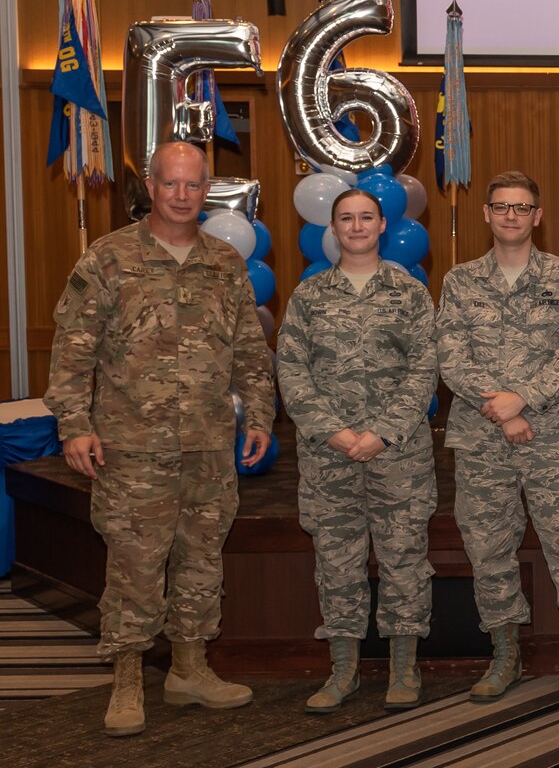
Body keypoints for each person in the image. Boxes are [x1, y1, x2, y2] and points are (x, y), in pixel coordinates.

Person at [47, 141, 274, 736]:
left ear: (207, 190)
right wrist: (74, 424)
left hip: (207, 444)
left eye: (192, 185)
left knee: (201, 560)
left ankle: (190, 668)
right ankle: (126, 678)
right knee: (134, 563)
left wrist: (260, 415)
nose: (181, 195)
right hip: (130, 446)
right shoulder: (108, 258)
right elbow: (73, 350)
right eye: (170, 184)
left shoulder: (225, 262)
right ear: (150, 186)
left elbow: (250, 348)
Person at [437, 171, 559, 704]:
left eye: (521, 207)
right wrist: (501, 407)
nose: (511, 215)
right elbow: (451, 358)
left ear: (537, 216)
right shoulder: (460, 281)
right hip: (480, 439)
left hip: (552, 436)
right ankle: (505, 654)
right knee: (489, 549)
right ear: (487, 214)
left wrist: (524, 400)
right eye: (501, 207)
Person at [275, 186, 438, 712]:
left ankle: (403, 668)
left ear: (383, 225)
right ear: (334, 227)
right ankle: (342, 671)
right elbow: (291, 370)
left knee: (404, 560)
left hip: (399, 454)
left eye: (367, 217)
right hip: (330, 456)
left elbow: (425, 368)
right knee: (337, 562)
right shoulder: (309, 296)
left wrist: (384, 432)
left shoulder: (410, 293)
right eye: (347, 218)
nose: (358, 226)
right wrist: (334, 431)